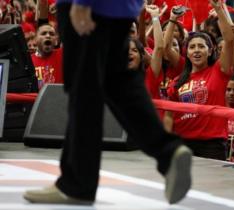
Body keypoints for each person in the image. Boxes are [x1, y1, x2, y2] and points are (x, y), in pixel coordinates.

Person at [23, 0, 192, 205]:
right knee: (120, 83)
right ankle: (167, 151)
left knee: (84, 89)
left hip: (93, 8)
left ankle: (77, 184)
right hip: (118, 8)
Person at [164, 0, 234, 160]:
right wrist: (173, 20)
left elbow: (230, 40)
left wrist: (218, 9)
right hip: (182, 142)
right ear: (187, 53)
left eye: (201, 46)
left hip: (211, 145)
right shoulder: (178, 80)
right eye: (192, 47)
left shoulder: (219, 71)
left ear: (210, 51)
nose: (196, 50)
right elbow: (166, 47)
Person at [32, 23, 63, 90]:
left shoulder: (62, 55)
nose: (48, 36)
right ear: (35, 39)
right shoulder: (28, 61)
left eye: (52, 34)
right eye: (43, 33)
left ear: (56, 41)